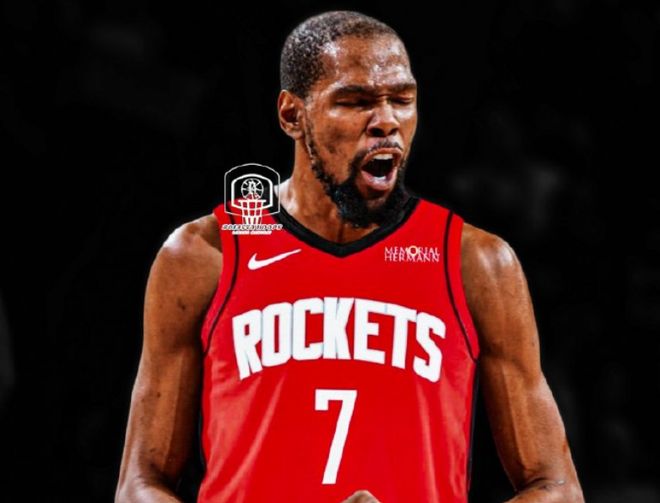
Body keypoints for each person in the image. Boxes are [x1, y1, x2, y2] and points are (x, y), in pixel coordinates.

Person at [115, 10, 584, 503]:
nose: (386, 122)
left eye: (402, 99)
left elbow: (557, 488)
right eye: (356, 102)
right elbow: (140, 484)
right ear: (292, 116)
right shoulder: (203, 254)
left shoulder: (477, 263)